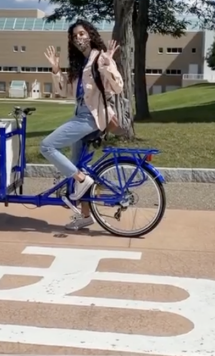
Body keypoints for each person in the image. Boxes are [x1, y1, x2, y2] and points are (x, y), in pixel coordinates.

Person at [41, 19, 124, 230]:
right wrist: (55, 69)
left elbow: (118, 86)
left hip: (90, 118)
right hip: (80, 115)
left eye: (82, 33)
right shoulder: (81, 64)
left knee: (47, 146)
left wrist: (107, 65)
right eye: (75, 36)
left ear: (90, 34)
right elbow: (63, 92)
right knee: (78, 167)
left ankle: (81, 179)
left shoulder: (99, 58)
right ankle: (86, 215)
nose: (79, 38)